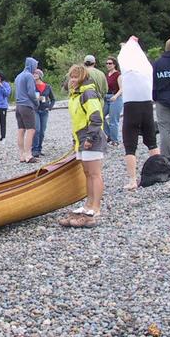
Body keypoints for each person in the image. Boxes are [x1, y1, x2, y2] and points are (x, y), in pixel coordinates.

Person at [58, 64, 106, 228]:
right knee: (87, 173)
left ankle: (96, 206)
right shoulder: (75, 94)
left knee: (94, 173)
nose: (72, 80)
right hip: (80, 136)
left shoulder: (88, 93)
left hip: (90, 136)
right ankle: (88, 203)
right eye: (71, 76)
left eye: (75, 77)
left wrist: (90, 137)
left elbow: (96, 117)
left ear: (82, 78)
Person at [119, 36, 160, 190]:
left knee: (130, 145)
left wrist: (124, 47)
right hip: (147, 106)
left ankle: (132, 180)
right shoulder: (146, 67)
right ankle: (159, 170)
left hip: (131, 106)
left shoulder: (128, 67)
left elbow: (123, 58)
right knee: (151, 141)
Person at [14, 57, 40, 163]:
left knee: (21, 130)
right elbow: (31, 92)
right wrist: (36, 102)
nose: (36, 68)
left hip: (18, 106)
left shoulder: (18, 76)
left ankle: (21, 155)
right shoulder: (29, 76)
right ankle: (28, 155)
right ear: (32, 65)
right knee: (31, 129)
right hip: (26, 105)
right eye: (36, 66)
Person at [31, 69, 55, 158]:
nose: (35, 74)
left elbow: (53, 99)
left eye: (36, 73)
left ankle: (39, 149)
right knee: (36, 130)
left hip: (45, 110)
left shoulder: (47, 86)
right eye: (34, 73)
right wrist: (35, 100)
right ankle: (34, 149)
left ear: (40, 75)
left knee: (42, 131)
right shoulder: (32, 86)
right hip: (35, 110)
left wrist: (50, 107)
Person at [103, 56, 123, 146]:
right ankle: (109, 135)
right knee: (99, 117)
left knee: (113, 120)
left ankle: (115, 140)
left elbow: (122, 88)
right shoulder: (107, 75)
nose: (108, 65)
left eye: (110, 63)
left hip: (115, 97)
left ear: (114, 64)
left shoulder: (118, 75)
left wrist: (115, 96)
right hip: (106, 97)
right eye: (107, 63)